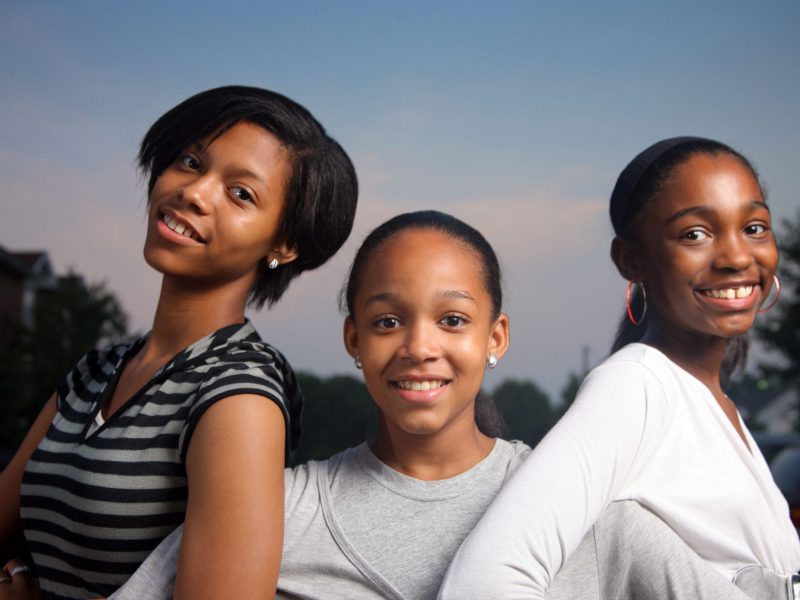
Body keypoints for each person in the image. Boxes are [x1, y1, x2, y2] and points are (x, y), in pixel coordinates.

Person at [109, 210, 757, 600]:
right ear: (354, 340)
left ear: (494, 337)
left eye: (452, 319)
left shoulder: (586, 512)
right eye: (388, 322)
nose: (421, 347)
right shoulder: (274, 512)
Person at [0, 85, 358, 599]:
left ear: (284, 243)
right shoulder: (94, 373)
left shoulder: (239, 397)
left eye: (241, 193)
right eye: (191, 161)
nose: (194, 191)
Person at [439, 137, 800, 599]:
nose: (736, 257)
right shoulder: (637, 386)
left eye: (754, 227)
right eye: (695, 234)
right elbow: (484, 582)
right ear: (630, 259)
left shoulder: (713, 401)